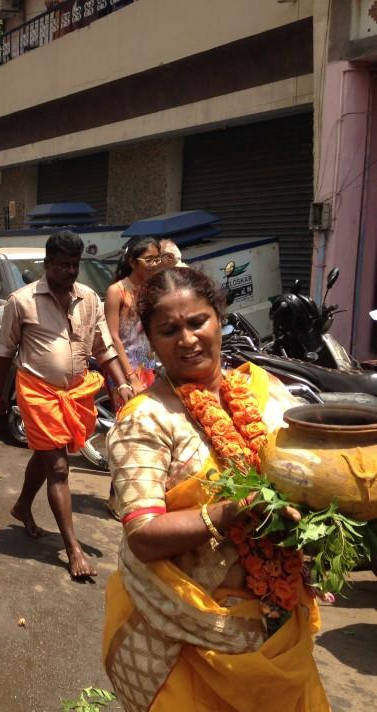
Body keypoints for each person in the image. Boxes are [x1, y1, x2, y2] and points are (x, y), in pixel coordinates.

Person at [103, 267, 328, 711]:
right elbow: (143, 536)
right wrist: (228, 514)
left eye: (196, 322)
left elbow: (314, 476)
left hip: (280, 624)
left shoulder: (269, 394)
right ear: (150, 340)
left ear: (218, 317)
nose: (186, 339)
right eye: (168, 330)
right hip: (189, 639)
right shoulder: (146, 420)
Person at [0, 231, 129, 579]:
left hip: (76, 393)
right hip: (37, 392)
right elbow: (6, 352)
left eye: (74, 264)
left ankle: (22, 505)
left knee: (46, 452)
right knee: (60, 468)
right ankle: (73, 549)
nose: (69, 271)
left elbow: (104, 347)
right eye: (62, 264)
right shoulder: (21, 301)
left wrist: (122, 384)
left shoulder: (90, 299)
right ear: (48, 264)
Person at [105, 237, 162, 394]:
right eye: (149, 259)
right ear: (132, 263)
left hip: (146, 363)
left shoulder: (151, 289)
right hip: (124, 369)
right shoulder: (117, 291)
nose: (155, 264)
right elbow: (113, 337)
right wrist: (131, 377)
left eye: (157, 259)